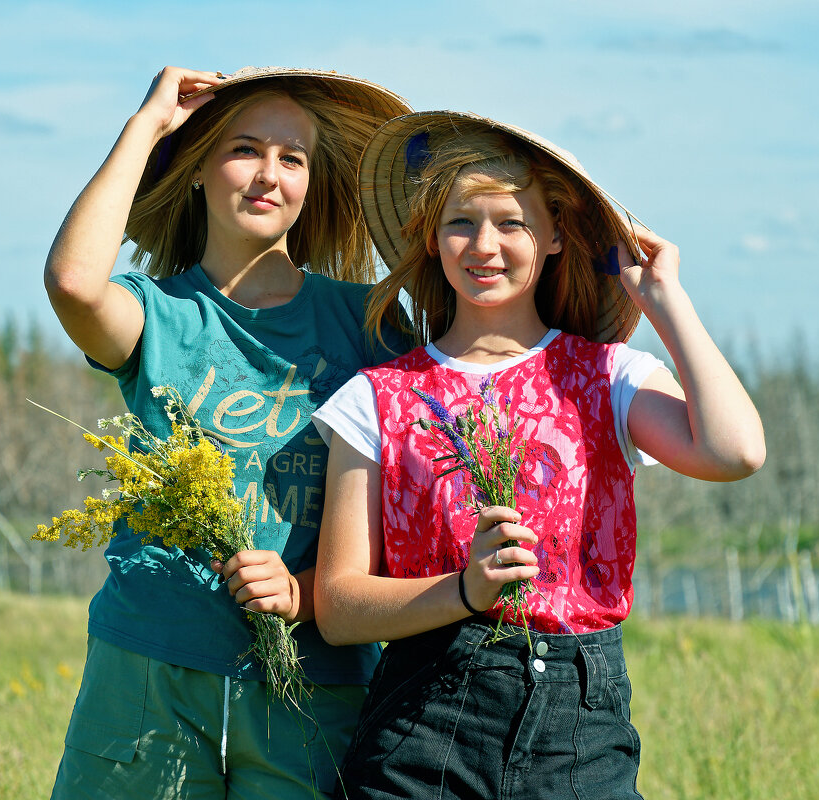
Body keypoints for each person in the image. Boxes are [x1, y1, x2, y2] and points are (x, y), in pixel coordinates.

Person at [312, 111, 767, 799]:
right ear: (431, 240)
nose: (483, 245)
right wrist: (465, 590)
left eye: (512, 223)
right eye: (461, 221)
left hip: (578, 729)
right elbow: (340, 606)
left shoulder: (605, 377)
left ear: (555, 235)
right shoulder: (377, 397)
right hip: (423, 724)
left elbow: (735, 452)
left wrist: (665, 301)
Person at [43, 66, 411, 799]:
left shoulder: (368, 322)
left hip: (314, 684)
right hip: (152, 668)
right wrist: (148, 123)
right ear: (198, 171)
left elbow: (412, 506)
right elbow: (76, 285)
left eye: (293, 158)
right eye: (244, 150)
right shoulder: (158, 315)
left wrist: (305, 592)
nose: (269, 175)